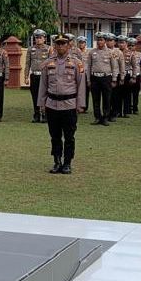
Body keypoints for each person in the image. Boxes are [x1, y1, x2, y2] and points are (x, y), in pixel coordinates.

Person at [37, 33, 86, 174]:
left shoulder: (77, 63)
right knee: (55, 136)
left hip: (69, 105)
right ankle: (57, 161)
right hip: (52, 104)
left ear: (69, 44)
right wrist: (41, 103)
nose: (60, 46)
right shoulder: (48, 63)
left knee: (69, 136)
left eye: (63, 43)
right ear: (54, 45)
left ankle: (67, 163)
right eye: (58, 43)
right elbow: (43, 84)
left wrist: (80, 104)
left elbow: (81, 85)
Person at [86, 34, 115, 126]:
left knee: (107, 98)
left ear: (105, 41)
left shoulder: (110, 52)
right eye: (98, 40)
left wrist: (114, 79)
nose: (99, 42)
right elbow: (89, 66)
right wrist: (88, 79)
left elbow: (114, 67)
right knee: (95, 99)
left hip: (106, 78)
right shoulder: (91, 52)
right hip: (95, 78)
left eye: (101, 40)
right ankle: (97, 117)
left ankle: (105, 117)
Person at [24, 29, 50, 123]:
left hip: (44, 76)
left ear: (44, 38)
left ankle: (45, 115)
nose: (38, 39)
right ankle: (36, 115)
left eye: (40, 37)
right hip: (34, 75)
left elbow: (51, 63)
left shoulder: (48, 49)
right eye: (36, 38)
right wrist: (26, 77)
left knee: (45, 96)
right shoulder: (31, 49)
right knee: (35, 96)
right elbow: (27, 64)